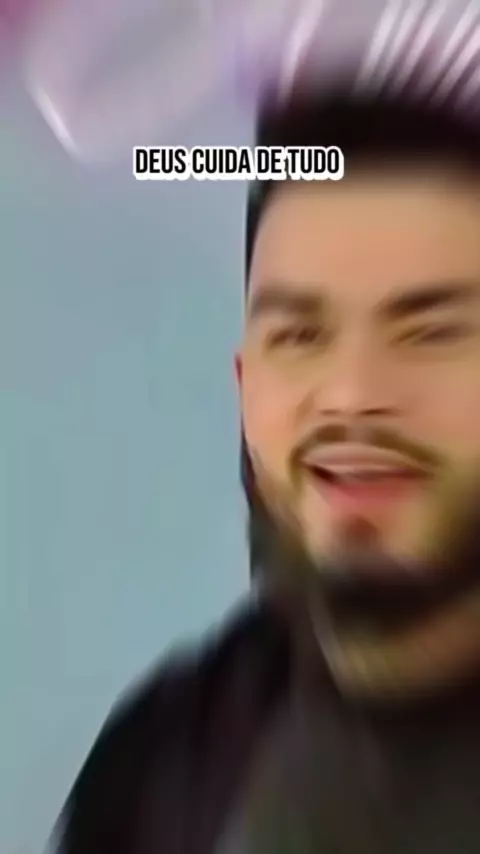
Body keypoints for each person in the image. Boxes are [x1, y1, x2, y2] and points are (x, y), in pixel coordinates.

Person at [52, 83, 480, 854]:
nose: (350, 396)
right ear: (245, 385)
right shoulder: (163, 764)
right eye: (300, 335)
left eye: (429, 331)